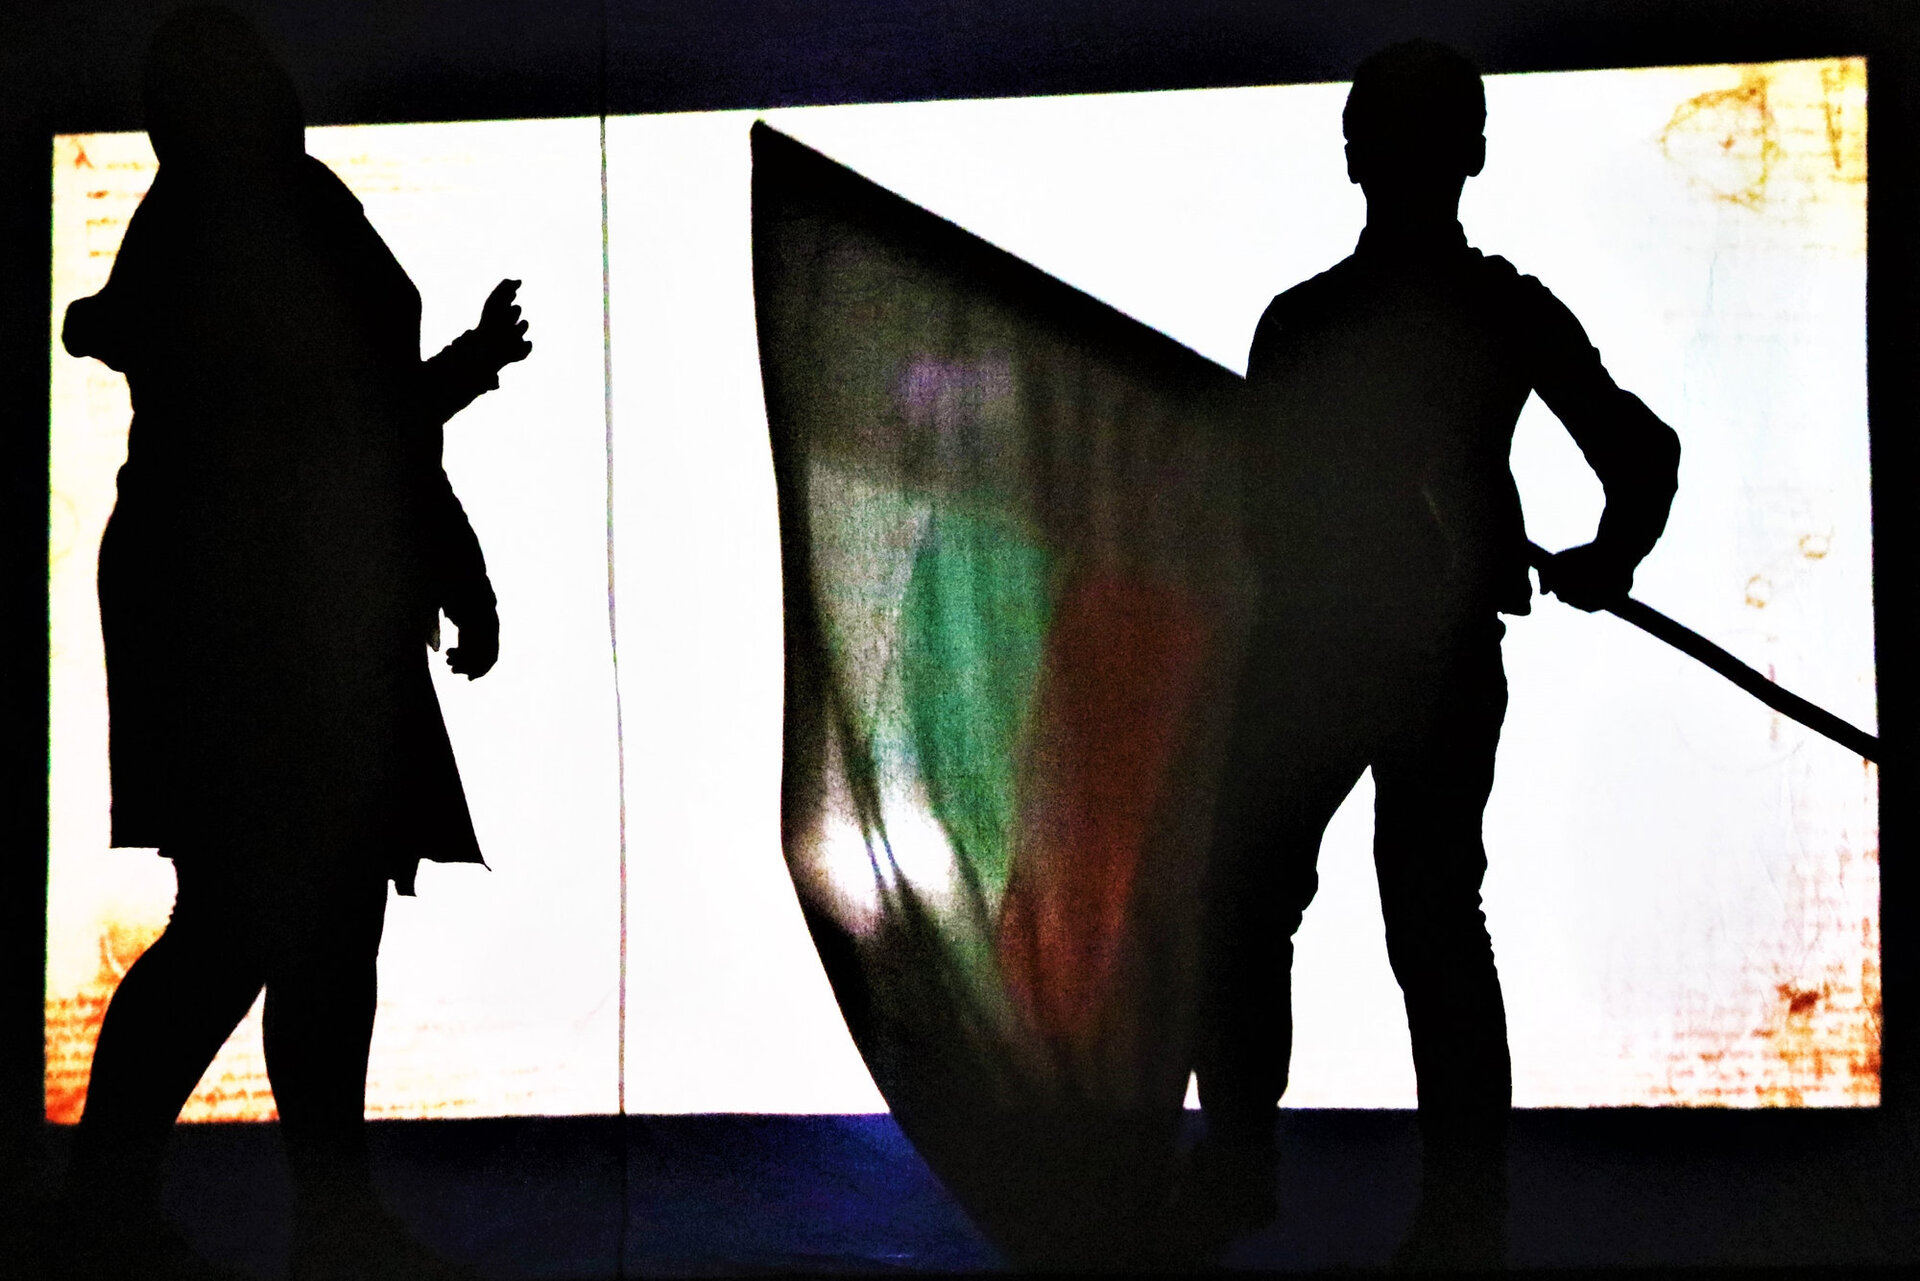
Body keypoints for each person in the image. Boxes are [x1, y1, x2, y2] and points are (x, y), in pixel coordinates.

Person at [1178, 39, 1681, 1267]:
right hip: (1424, 662)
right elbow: (1642, 454)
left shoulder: (1303, 323)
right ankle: (1457, 1211)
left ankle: (1252, 1170)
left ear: (1354, 156)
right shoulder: (1498, 312)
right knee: (1420, 917)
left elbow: (1253, 518)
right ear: (1474, 155)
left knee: (1268, 904)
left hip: (1331, 659)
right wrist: (1606, 556)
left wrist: (1605, 552)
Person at [50, 8, 531, 1279]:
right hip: (258, 622)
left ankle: (290, 1213)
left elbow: (354, 422)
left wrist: (452, 550)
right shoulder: (240, 219)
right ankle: (137, 1212)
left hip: (288, 612)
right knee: (247, 921)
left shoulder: (237, 215)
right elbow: (346, 420)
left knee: (307, 924)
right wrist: (457, 523)